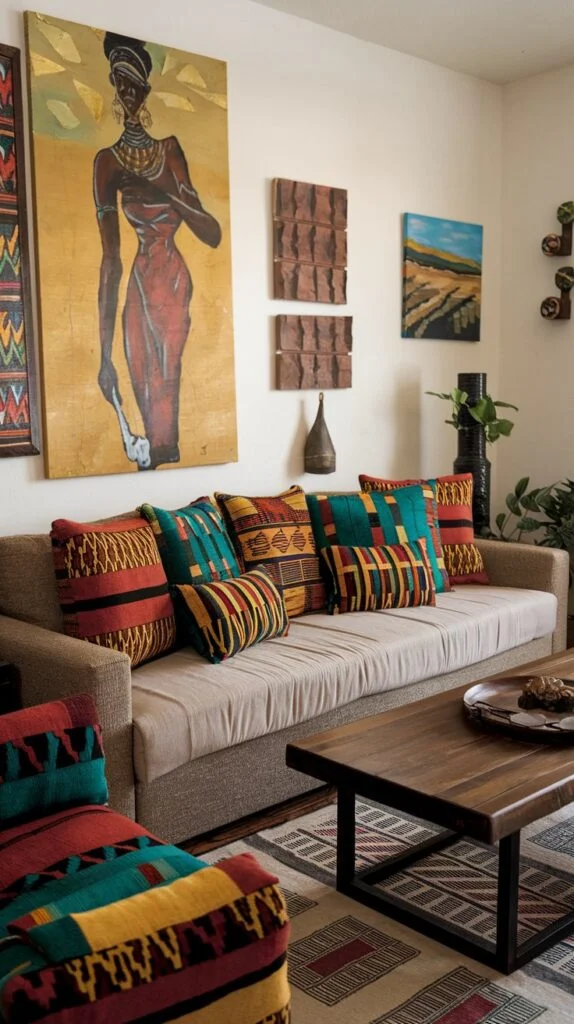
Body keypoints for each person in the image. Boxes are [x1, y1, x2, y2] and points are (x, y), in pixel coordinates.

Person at [93, 32, 221, 470]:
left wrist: (167, 189)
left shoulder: (169, 151)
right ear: (114, 87)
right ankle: (156, 462)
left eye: (134, 85)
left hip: (172, 279)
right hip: (138, 282)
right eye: (120, 83)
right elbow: (110, 257)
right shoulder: (107, 162)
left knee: (167, 377)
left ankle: (165, 454)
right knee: (140, 374)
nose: (127, 93)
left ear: (145, 90)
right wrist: (103, 353)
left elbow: (211, 232)